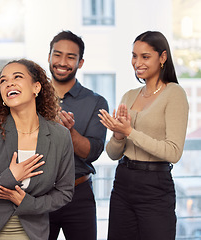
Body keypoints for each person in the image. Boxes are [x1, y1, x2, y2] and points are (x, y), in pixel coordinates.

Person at [0, 59, 75, 240]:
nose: (9, 83)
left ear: (36, 88)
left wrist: (29, 203)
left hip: (32, 231)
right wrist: (9, 179)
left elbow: (64, 192)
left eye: (17, 77)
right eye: (3, 81)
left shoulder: (60, 136)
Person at [98, 31, 189, 240]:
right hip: (122, 182)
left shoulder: (174, 93)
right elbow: (112, 154)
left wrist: (130, 132)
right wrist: (119, 136)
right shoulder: (129, 96)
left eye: (145, 56)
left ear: (163, 57)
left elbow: (173, 152)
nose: (137, 62)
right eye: (134, 56)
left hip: (155, 186)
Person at [48, 30, 108, 240]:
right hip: (39, 195)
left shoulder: (96, 102)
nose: (62, 62)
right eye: (57, 54)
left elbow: (92, 152)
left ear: (80, 63)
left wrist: (69, 132)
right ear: (49, 57)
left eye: (70, 57)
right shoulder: (31, 99)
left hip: (79, 194)